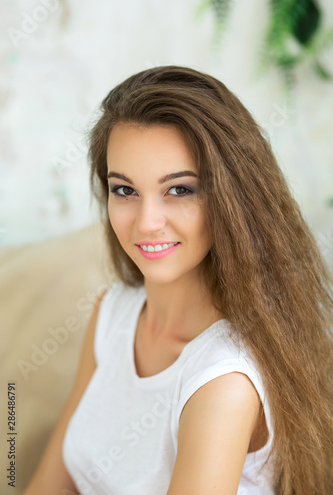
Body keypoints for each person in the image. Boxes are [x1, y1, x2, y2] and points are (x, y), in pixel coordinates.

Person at [23, 65, 333, 495]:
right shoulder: (113, 312)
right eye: (125, 190)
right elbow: (50, 486)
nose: (147, 223)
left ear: (231, 198)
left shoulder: (224, 378)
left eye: (180, 189)